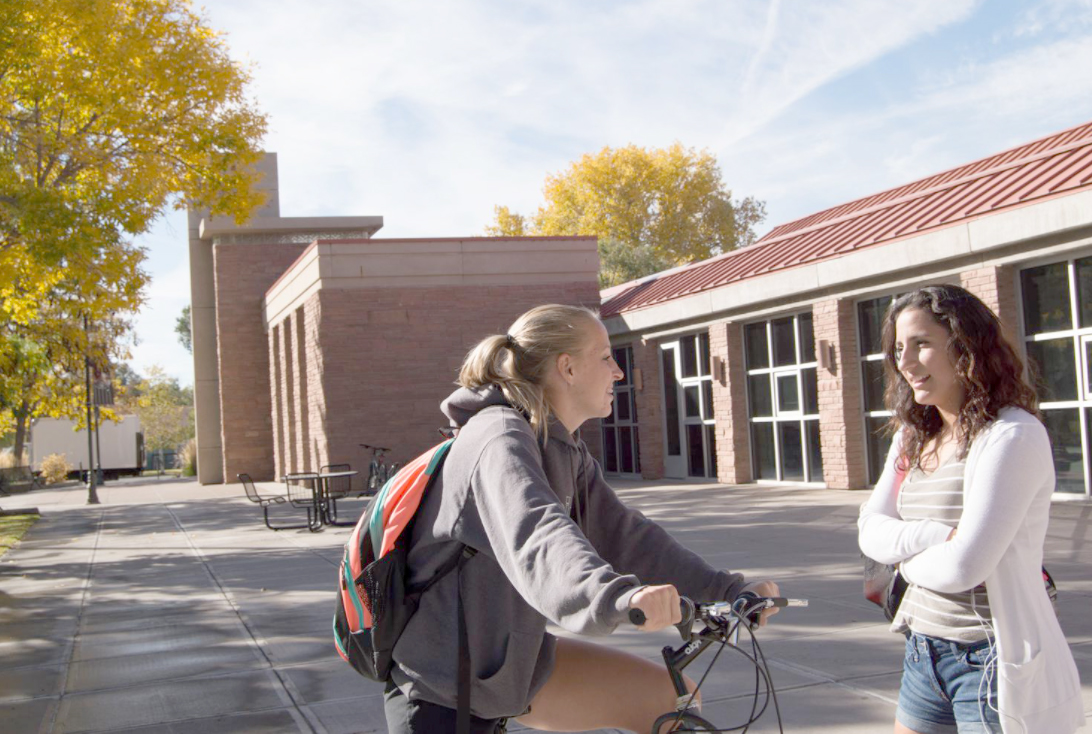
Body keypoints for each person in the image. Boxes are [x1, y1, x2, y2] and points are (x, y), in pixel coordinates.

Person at [383, 303, 779, 733]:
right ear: (567, 368)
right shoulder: (499, 438)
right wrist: (615, 598)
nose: (619, 372)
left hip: (509, 665)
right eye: (606, 356)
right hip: (443, 687)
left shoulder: (561, 447)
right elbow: (540, 537)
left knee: (667, 698)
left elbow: (626, 536)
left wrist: (726, 590)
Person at [858, 285, 1084, 734]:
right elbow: (870, 531)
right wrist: (934, 538)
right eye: (899, 348)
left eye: (921, 344)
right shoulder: (912, 437)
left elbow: (964, 568)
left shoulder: (1011, 437)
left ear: (966, 348)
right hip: (922, 652)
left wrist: (906, 555)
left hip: (989, 661)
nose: (904, 363)